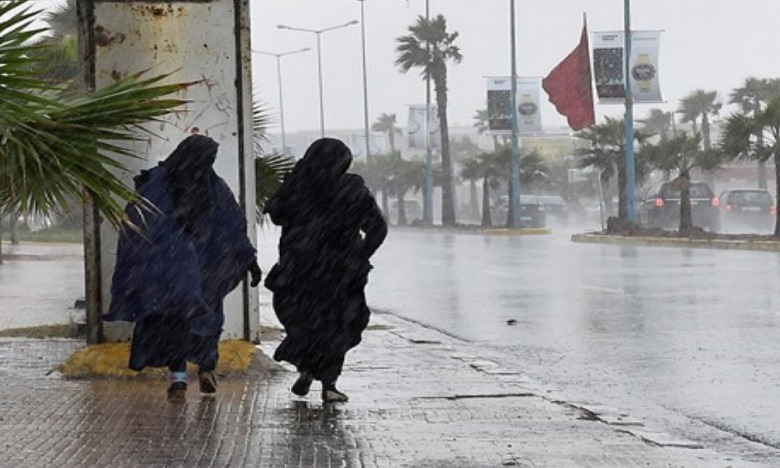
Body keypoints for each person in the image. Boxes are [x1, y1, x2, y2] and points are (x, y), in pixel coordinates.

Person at [104, 134, 262, 402]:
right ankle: (206, 368)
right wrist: (249, 261)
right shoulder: (214, 186)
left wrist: (146, 266)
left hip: (169, 274)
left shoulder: (157, 183)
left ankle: (178, 381)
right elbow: (234, 227)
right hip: (207, 271)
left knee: (173, 325)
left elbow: (137, 225)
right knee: (205, 321)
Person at [264, 138, 387, 403]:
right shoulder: (352, 188)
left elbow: (276, 214)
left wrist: (295, 182)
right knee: (338, 325)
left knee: (305, 322)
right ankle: (329, 384)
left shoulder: (298, 184)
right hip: (340, 273)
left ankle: (308, 370)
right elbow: (377, 227)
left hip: (299, 270)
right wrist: (360, 256)